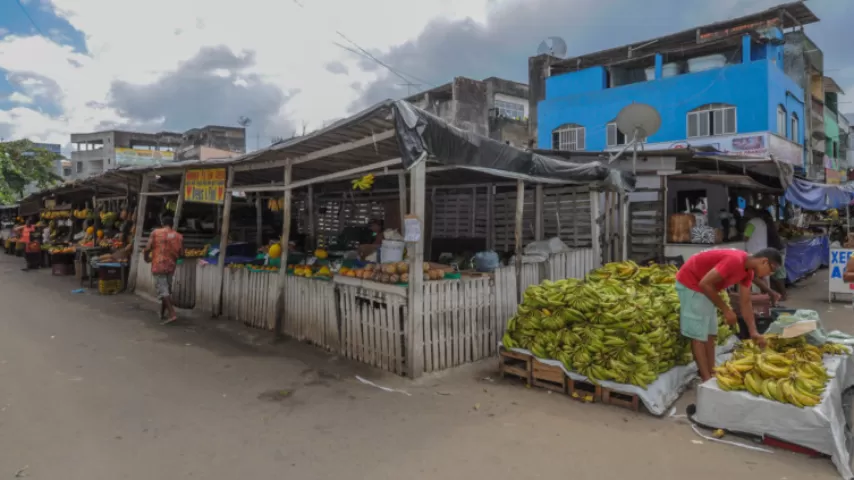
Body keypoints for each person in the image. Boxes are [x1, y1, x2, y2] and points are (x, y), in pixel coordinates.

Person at [675, 248, 782, 382]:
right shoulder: (734, 260)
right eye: (772, 270)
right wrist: (726, 310)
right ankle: (706, 377)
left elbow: (745, 301)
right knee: (698, 336)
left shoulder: (747, 272)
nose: (770, 274)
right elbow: (704, 283)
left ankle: (712, 371)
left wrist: (753, 331)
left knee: (710, 333)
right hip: (691, 283)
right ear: (764, 261)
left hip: (707, 288)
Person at [143, 214, 184, 325]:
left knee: (163, 291)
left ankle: (172, 314)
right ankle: (162, 313)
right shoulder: (179, 236)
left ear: (162, 223)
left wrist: (146, 258)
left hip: (158, 265)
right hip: (171, 266)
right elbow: (182, 254)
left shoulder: (155, 233)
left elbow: (147, 248)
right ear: (172, 224)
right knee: (166, 290)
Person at [744, 204, 787, 300]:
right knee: (765, 276)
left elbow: (746, 237)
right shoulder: (763, 222)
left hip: (757, 251)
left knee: (765, 275)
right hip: (765, 250)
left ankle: (767, 296)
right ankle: (768, 296)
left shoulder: (751, 223)